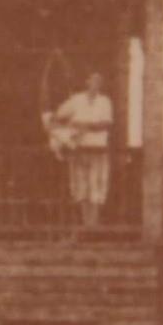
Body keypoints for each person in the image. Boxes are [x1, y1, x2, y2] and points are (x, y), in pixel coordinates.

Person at [52, 71, 114, 227]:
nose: (96, 83)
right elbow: (57, 116)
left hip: (98, 149)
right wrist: (70, 126)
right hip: (79, 149)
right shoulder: (76, 100)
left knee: (97, 186)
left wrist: (86, 125)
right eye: (93, 80)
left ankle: (93, 225)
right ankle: (85, 225)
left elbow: (107, 124)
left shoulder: (104, 101)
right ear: (87, 82)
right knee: (80, 187)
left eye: (99, 81)